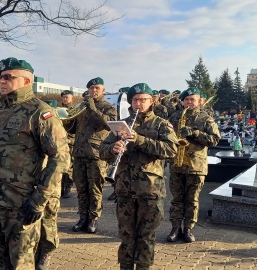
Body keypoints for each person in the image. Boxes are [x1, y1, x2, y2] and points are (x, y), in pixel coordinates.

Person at [0, 57, 70, 269]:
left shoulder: (40, 112)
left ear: (27, 81)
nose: (1, 81)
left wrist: (39, 200)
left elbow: (60, 158)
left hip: (21, 203)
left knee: (20, 262)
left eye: (7, 77)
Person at [100, 83, 178, 270]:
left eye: (143, 99)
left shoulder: (161, 124)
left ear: (151, 101)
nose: (139, 103)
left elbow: (171, 149)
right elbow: (102, 150)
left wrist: (140, 140)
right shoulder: (122, 123)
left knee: (145, 238)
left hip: (150, 190)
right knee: (126, 236)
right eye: (135, 100)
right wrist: (113, 148)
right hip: (125, 189)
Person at [167, 87, 221, 243]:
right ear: (183, 102)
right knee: (176, 199)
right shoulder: (174, 117)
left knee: (192, 199)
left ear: (199, 101)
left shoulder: (205, 118)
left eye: (193, 99)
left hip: (196, 165)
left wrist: (195, 133)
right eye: (187, 99)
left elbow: (214, 139)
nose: (189, 102)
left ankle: (188, 229)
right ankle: (175, 228)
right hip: (177, 164)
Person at [67, 77, 117, 234]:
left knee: (95, 188)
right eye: (91, 88)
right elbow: (73, 129)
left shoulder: (108, 107)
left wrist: (93, 109)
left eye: (97, 88)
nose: (94, 91)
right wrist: (67, 120)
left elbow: (109, 125)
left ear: (103, 90)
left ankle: (93, 219)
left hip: (96, 154)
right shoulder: (82, 106)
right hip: (80, 153)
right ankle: (83, 217)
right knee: (81, 189)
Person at [60, 89, 75, 198]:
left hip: (71, 141)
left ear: (72, 98)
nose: (65, 99)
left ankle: (68, 187)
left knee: (69, 167)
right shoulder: (59, 110)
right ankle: (60, 188)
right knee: (60, 166)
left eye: (67, 97)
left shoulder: (75, 110)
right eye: (64, 97)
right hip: (60, 142)